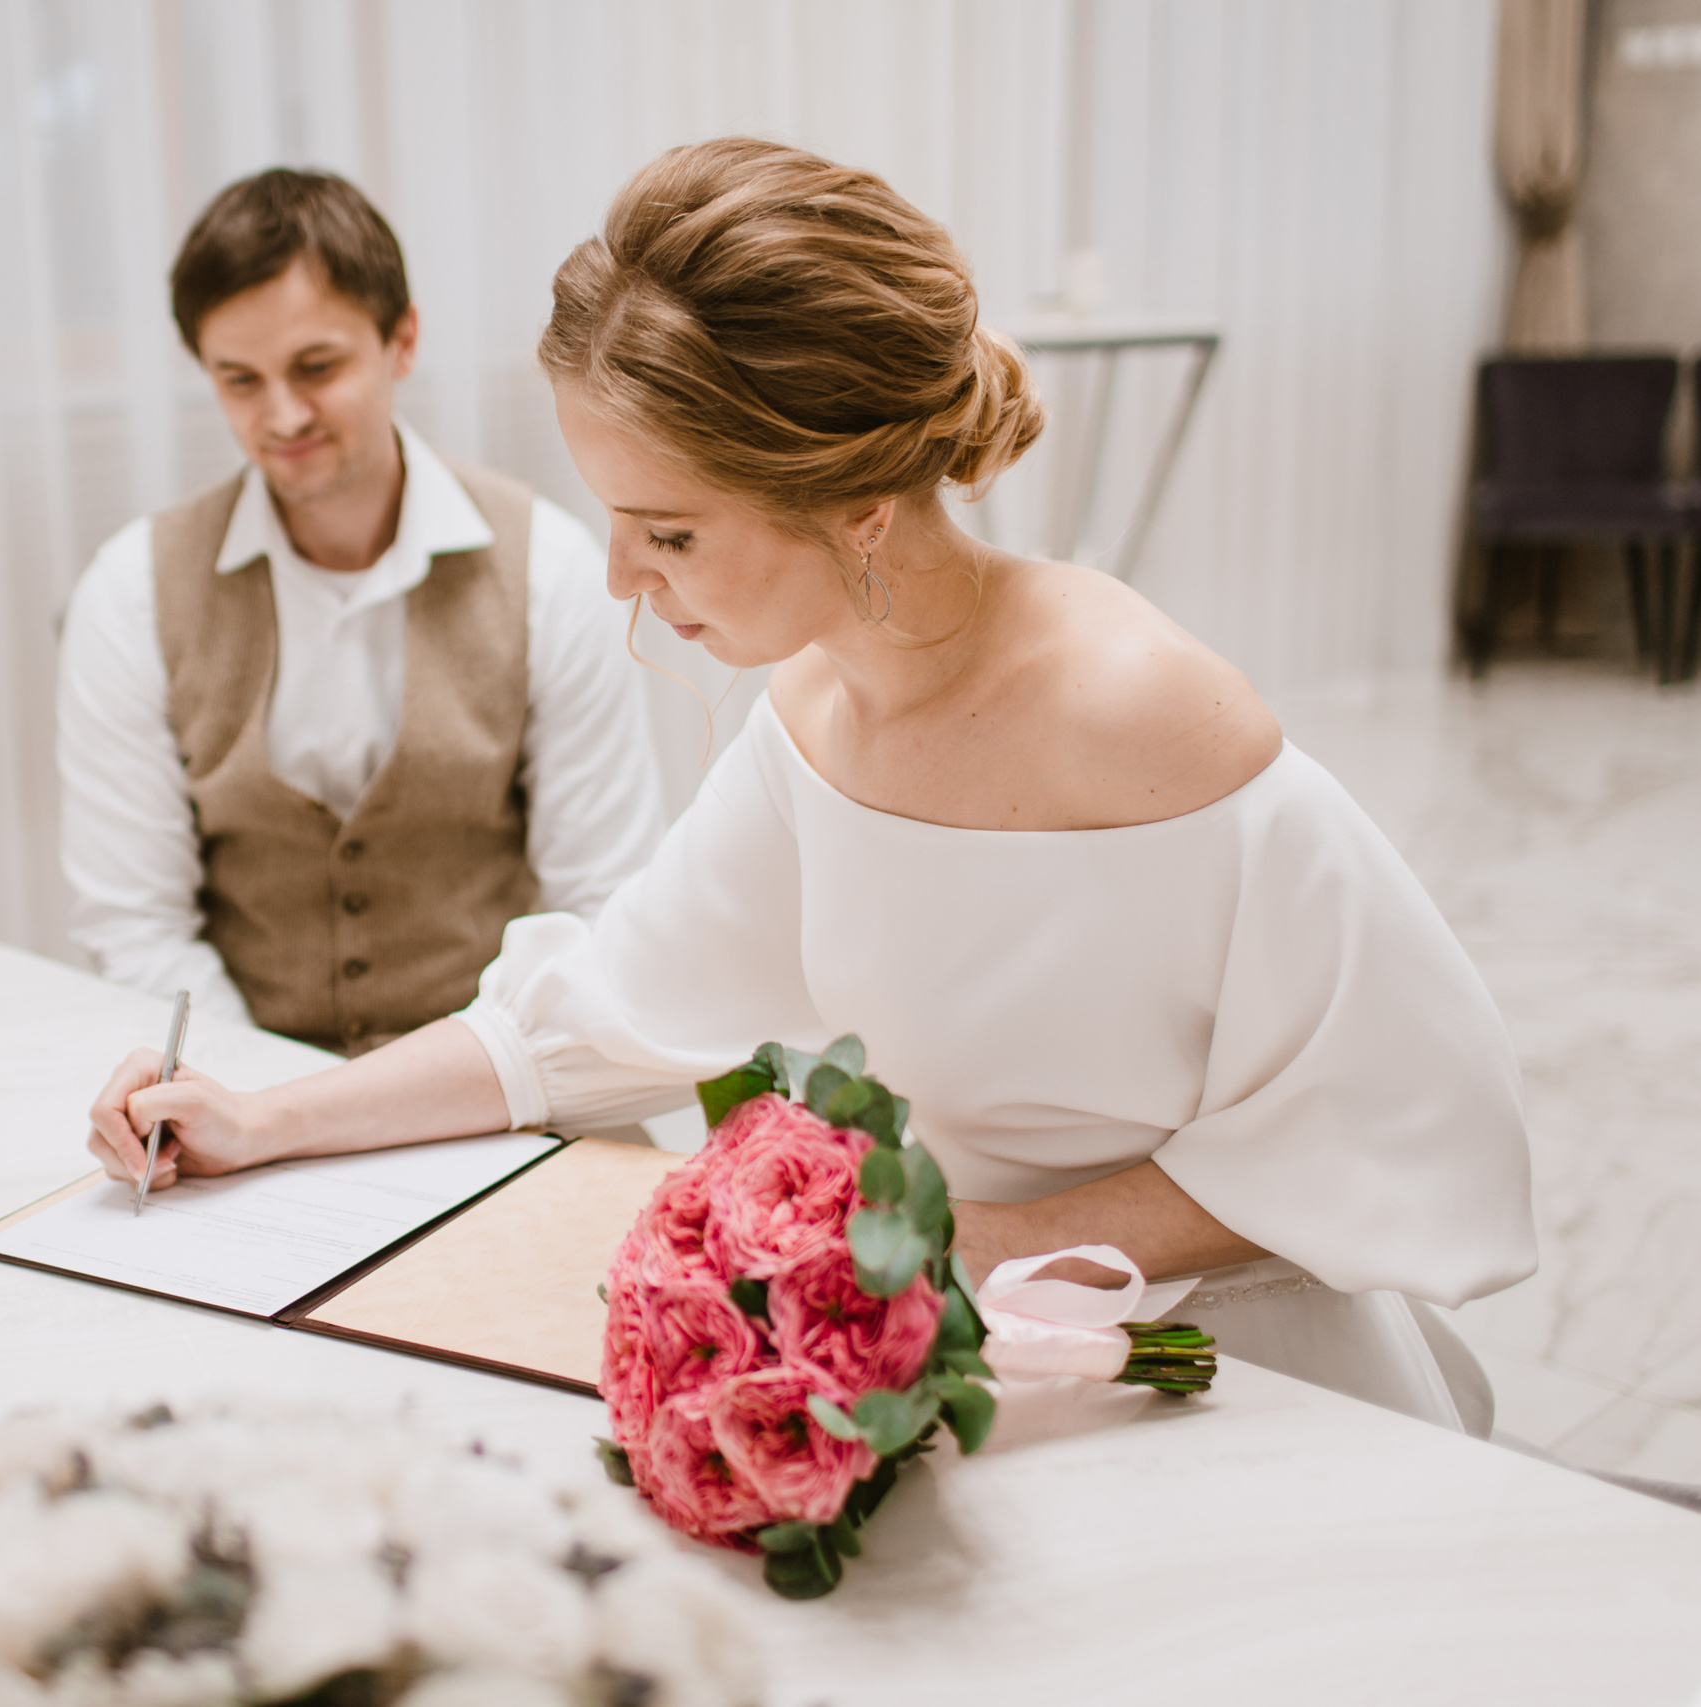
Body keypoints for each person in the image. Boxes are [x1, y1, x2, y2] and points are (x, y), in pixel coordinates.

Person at [83, 139, 1538, 1431]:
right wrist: (265, 1121)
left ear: (858, 504)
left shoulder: (1131, 704)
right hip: (977, 1349)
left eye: (670, 532)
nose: (617, 577)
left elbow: (1387, 1102)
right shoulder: (817, 708)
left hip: (1224, 1379)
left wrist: (965, 1240)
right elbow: (591, 1017)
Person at [59, 168, 664, 1055]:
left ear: (402, 339)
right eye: (240, 381)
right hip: (247, 1098)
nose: (284, 414)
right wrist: (269, 1111)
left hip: (506, 1089)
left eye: (317, 366)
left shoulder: (552, 571)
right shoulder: (129, 591)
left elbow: (602, 905)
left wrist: (470, 1087)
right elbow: (136, 928)